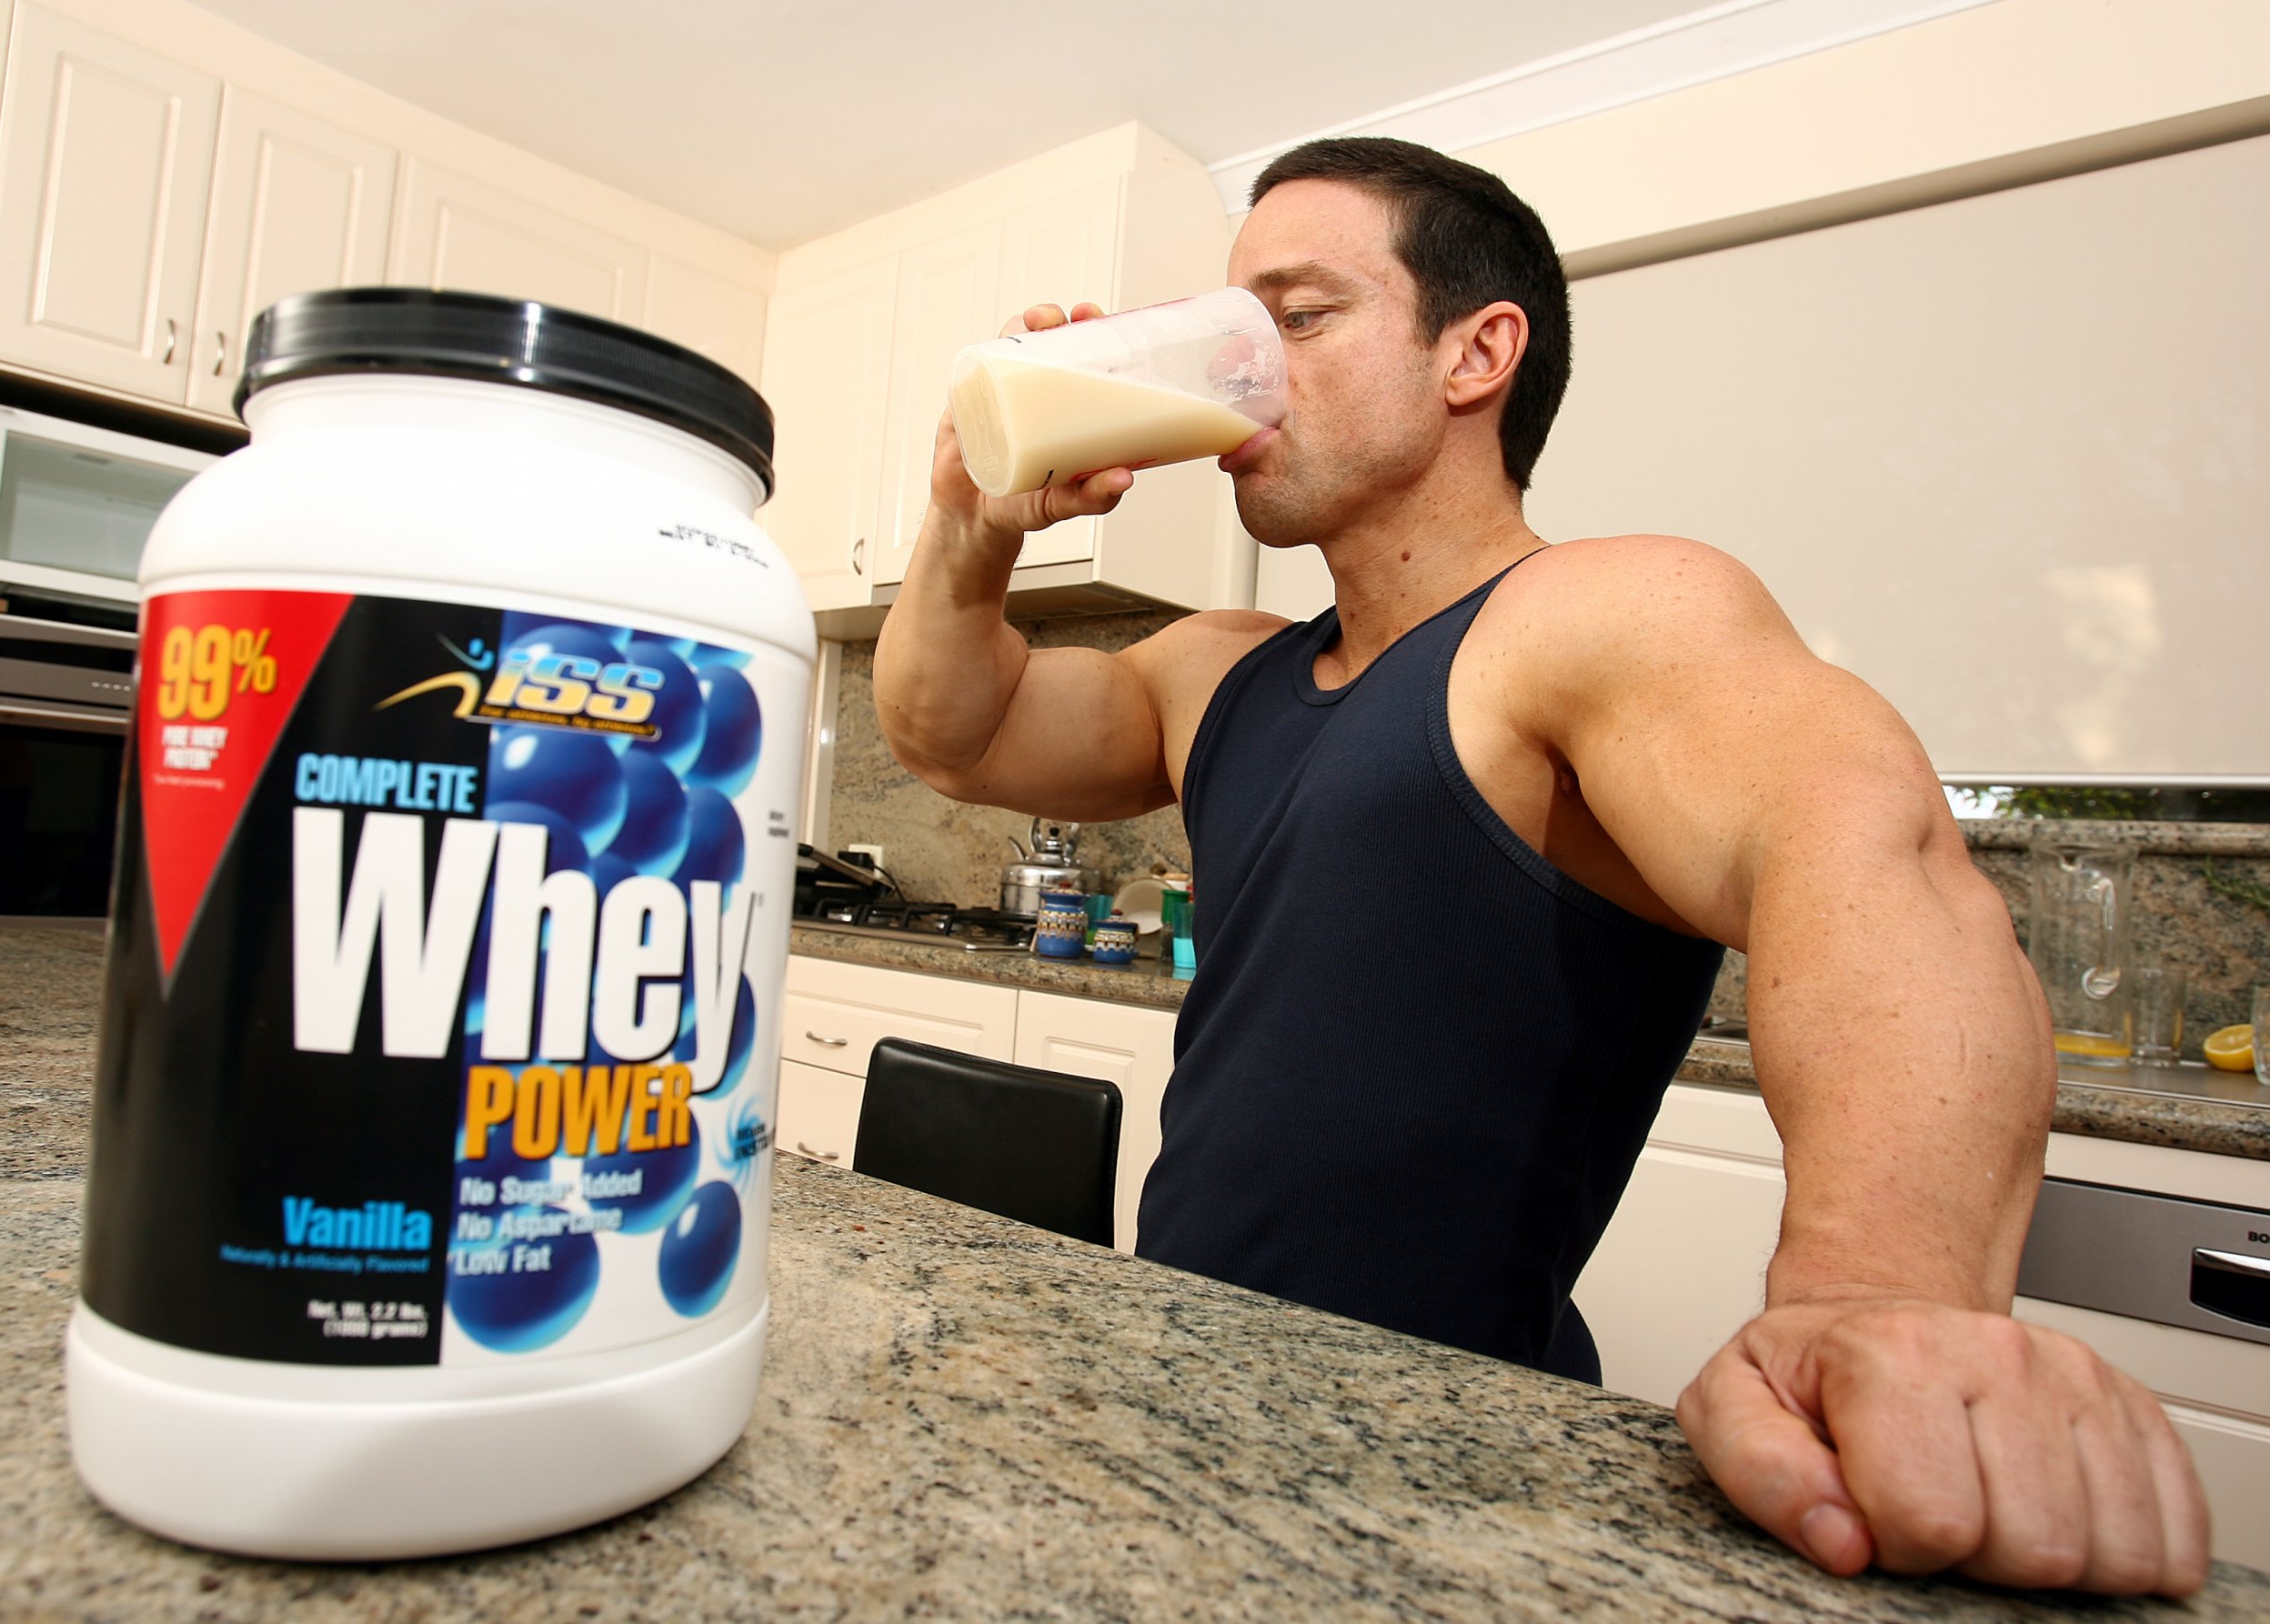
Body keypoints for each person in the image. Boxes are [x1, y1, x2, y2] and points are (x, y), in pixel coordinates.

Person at [870, 136, 2209, 1597]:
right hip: (1186, 1385)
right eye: (1229, 325)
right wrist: (969, 520)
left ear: (1476, 353)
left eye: (1298, 316)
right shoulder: (1219, 671)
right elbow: (960, 725)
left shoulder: (1597, 613)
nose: (1240, 362)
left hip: (1444, 1469)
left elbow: (1868, 851)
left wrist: (1881, 1300)